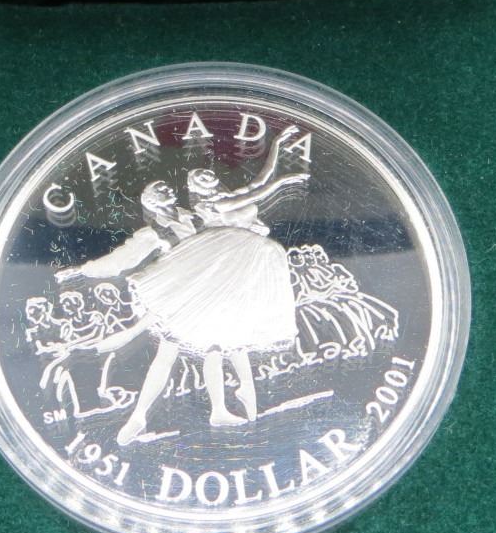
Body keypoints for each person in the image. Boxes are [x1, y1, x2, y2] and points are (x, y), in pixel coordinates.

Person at [55, 126, 308, 445]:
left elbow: (252, 194)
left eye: (166, 185)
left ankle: (228, 404)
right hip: (181, 296)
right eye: (159, 188)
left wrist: (275, 153)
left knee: (225, 344)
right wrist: (81, 270)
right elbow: (118, 261)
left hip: (211, 292)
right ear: (151, 202)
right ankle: (138, 416)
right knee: (168, 352)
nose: (167, 187)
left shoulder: (198, 216)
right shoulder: (153, 233)